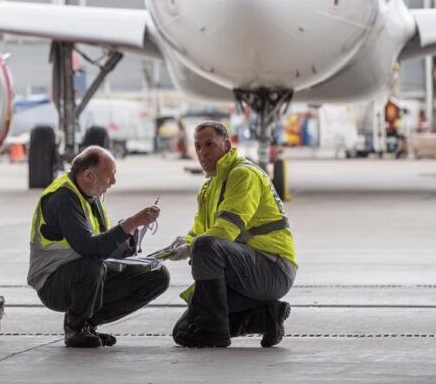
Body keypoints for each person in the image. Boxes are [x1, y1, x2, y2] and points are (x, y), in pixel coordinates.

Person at [166, 121, 297, 348]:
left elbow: (225, 231)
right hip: (243, 272)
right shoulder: (211, 184)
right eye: (197, 146)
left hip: (272, 269)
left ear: (226, 146)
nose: (202, 152)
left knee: (206, 247)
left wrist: (193, 247)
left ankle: (215, 333)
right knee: (183, 333)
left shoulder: (243, 174)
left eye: (209, 144)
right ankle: (267, 317)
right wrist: (183, 243)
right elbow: (199, 231)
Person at [27, 146, 169, 348]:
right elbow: (89, 248)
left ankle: (88, 324)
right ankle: (75, 327)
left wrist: (128, 240)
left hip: (85, 273)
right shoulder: (63, 198)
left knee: (156, 274)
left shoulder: (91, 196)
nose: (113, 182)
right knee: (91, 267)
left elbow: (103, 248)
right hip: (53, 282)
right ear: (87, 176)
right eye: (109, 176)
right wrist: (130, 223)